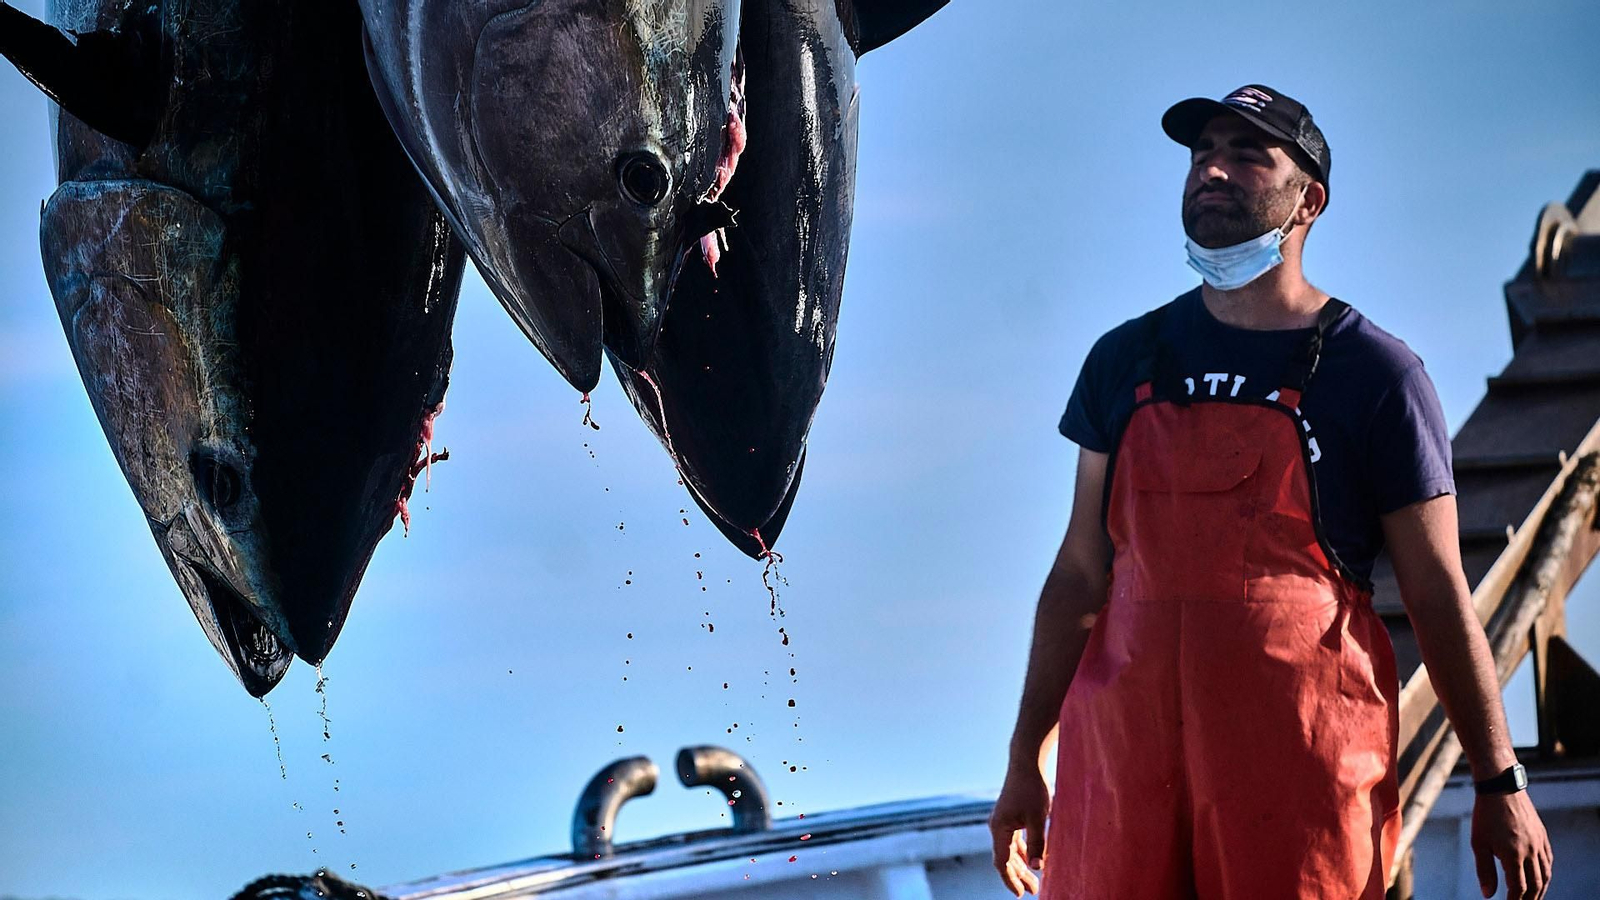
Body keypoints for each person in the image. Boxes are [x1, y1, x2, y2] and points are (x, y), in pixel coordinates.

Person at [988, 85, 1553, 900]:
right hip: (1122, 780)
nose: (1211, 169)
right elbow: (1080, 575)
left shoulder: (1378, 376)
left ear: (1309, 201)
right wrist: (1024, 765)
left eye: (1248, 154)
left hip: (1297, 786)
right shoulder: (1124, 359)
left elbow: (1435, 592)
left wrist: (1502, 785)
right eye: (1200, 152)